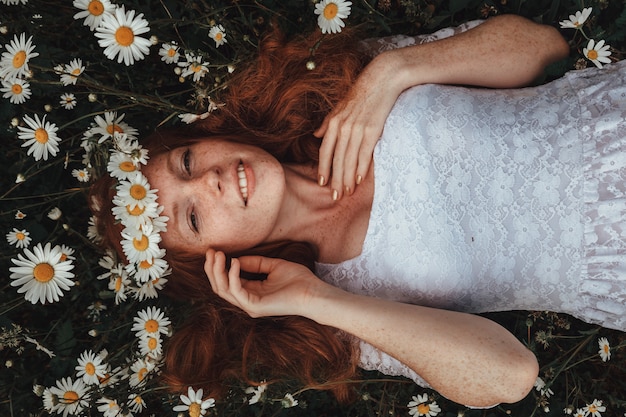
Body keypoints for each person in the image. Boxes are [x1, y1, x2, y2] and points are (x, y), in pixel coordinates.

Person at [89, 14, 626, 408]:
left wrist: (391, 71)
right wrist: (318, 300)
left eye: (186, 162)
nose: (208, 181)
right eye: (194, 217)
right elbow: (509, 375)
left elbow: (545, 47)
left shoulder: (328, 91)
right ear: (217, 261)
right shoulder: (333, 307)